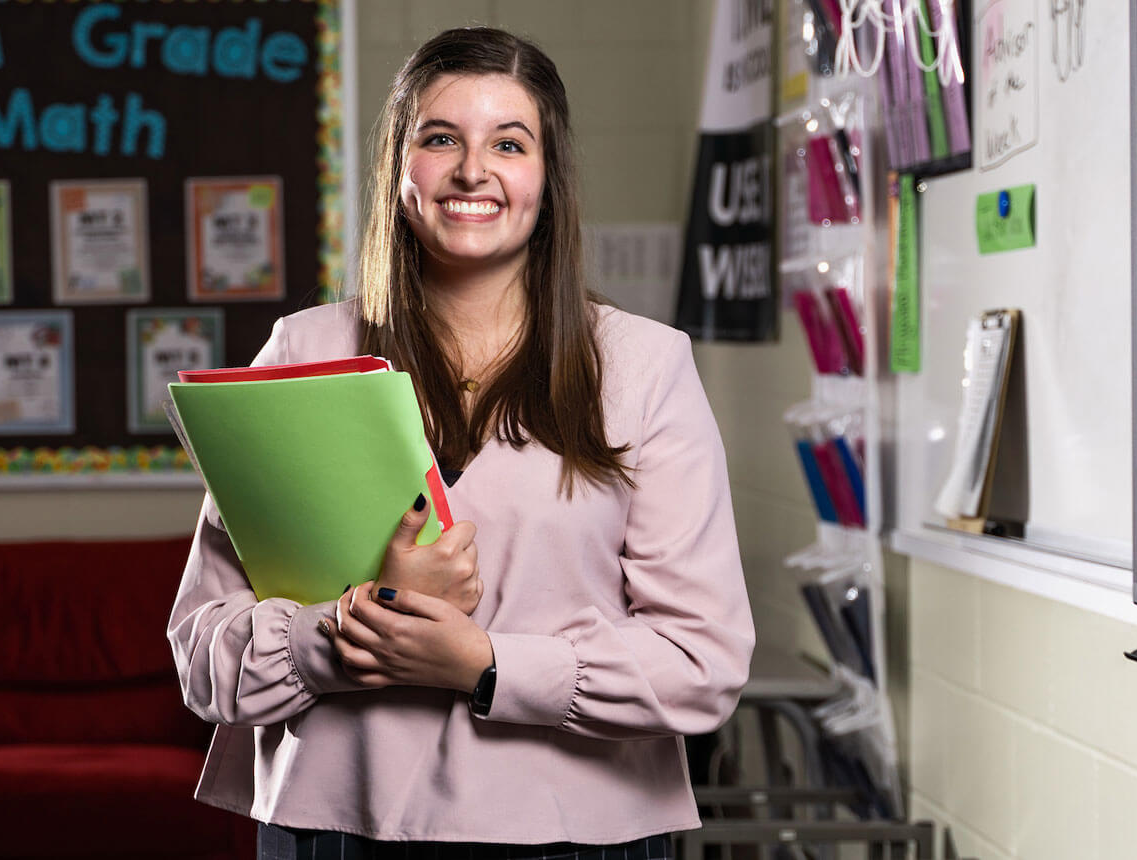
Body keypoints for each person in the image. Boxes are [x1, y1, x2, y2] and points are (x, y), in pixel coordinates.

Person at [168, 26, 755, 860]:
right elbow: (202, 651)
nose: (473, 170)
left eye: (509, 144)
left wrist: (484, 663)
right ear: (399, 171)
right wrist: (353, 630)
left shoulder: (644, 366)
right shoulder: (302, 351)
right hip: (337, 828)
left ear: (548, 179)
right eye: (440, 138)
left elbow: (703, 661)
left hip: (579, 834)